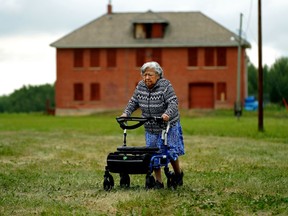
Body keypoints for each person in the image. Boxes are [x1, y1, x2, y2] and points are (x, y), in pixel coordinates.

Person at [120, 61, 185, 189]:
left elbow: (173, 102)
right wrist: (126, 113)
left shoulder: (165, 86)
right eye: (144, 75)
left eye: (149, 75)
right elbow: (134, 101)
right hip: (150, 126)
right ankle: (158, 182)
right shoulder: (140, 86)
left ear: (158, 75)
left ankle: (178, 174)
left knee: (171, 152)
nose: (146, 78)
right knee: (153, 153)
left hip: (168, 125)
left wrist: (167, 114)